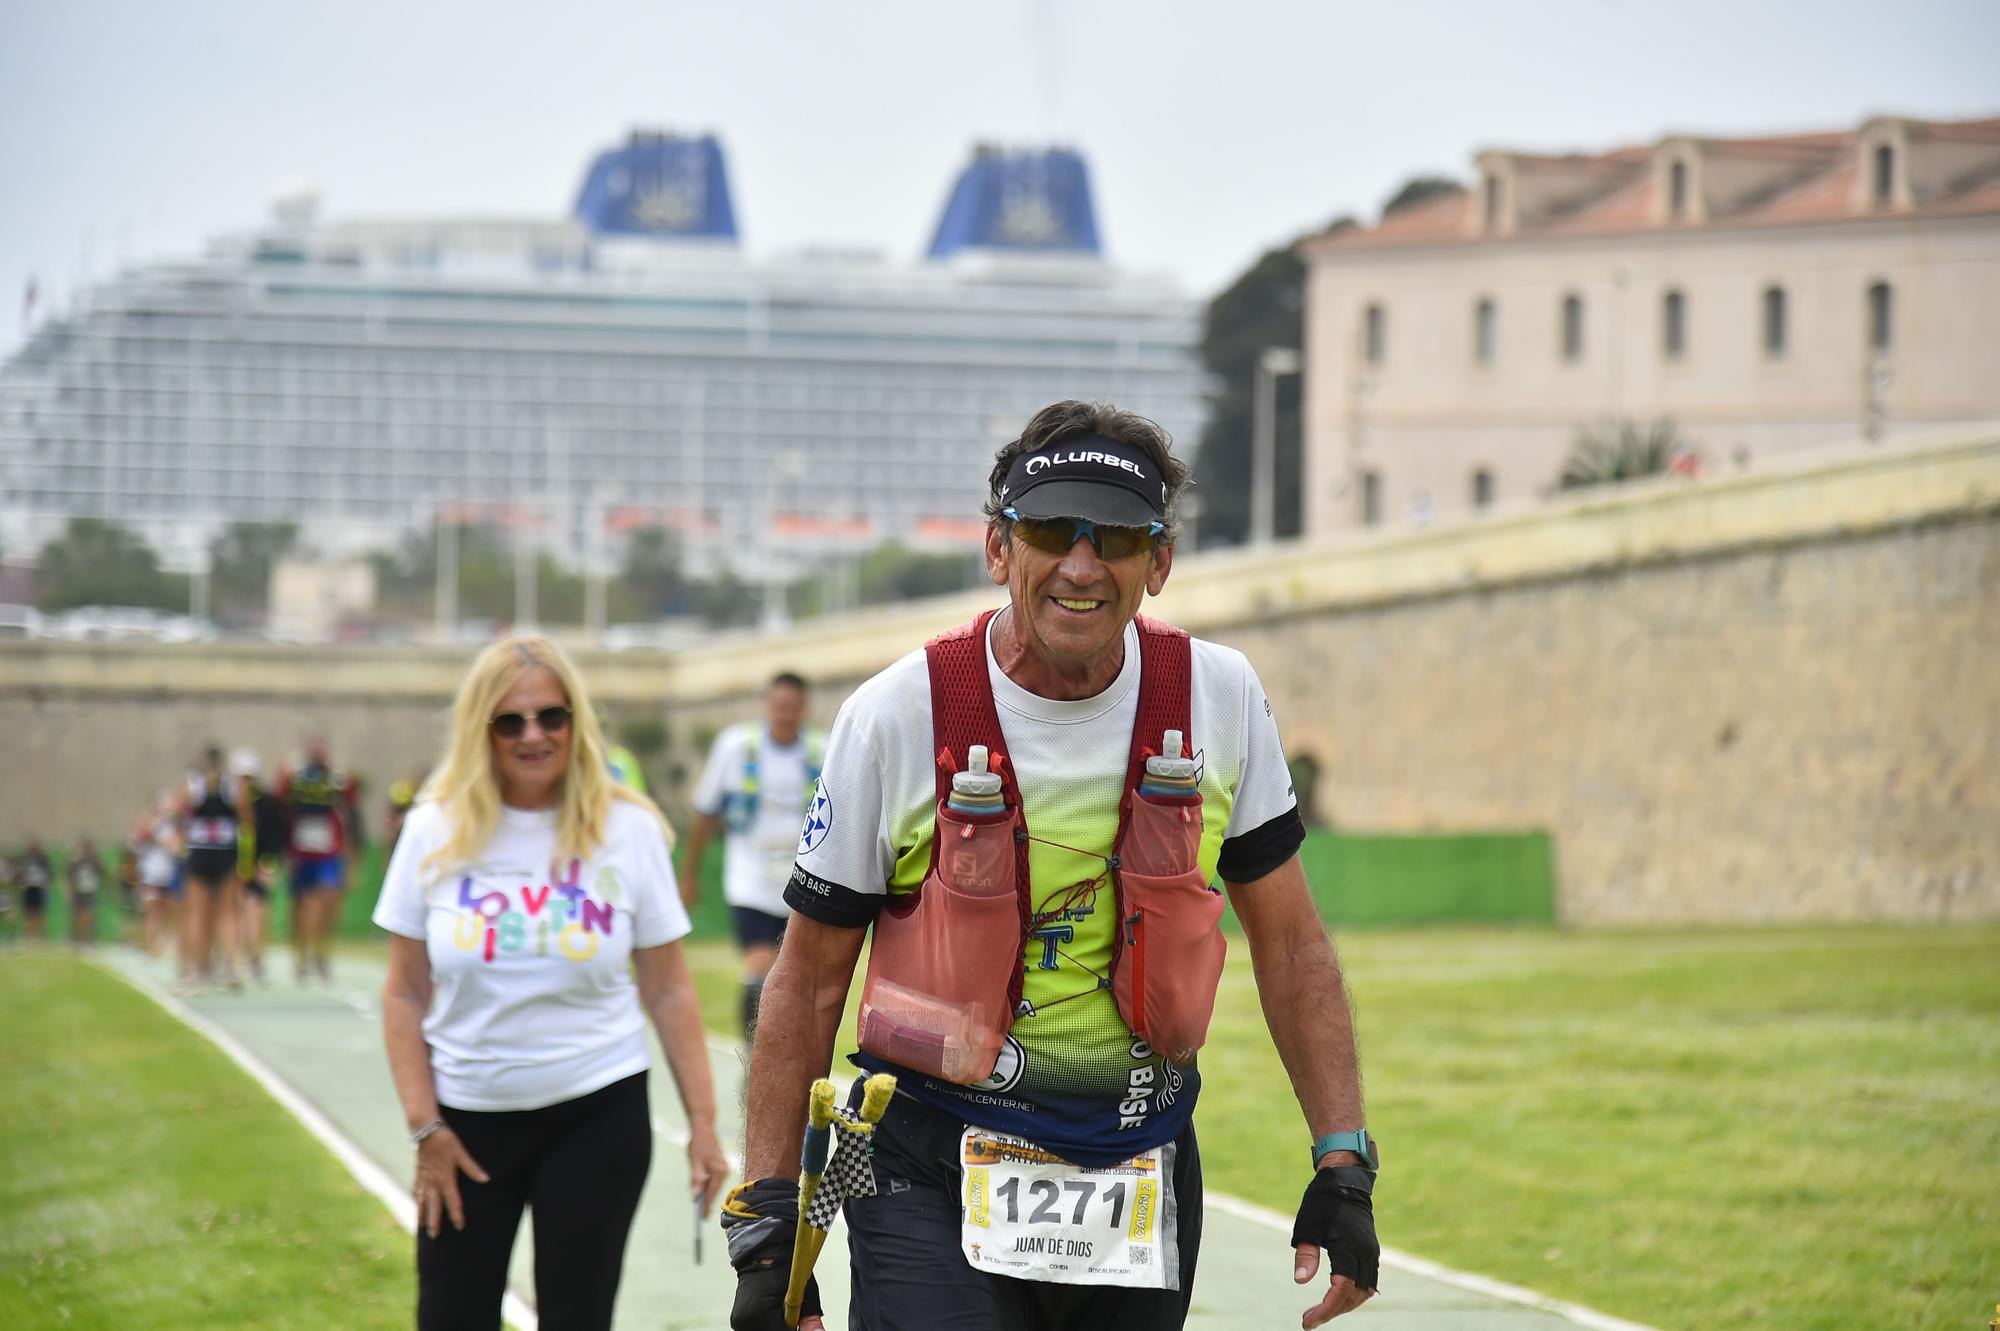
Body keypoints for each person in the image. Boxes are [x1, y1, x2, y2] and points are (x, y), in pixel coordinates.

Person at [725, 402, 1380, 1331]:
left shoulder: (1219, 696)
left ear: (1159, 562)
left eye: (1116, 536)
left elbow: (1291, 944)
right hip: (918, 1161)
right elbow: (809, 977)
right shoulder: (897, 713)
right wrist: (767, 1212)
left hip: (1139, 1160)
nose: (1081, 565)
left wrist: (1343, 1159)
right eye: (1048, 531)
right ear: (999, 548)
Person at [374, 635, 729, 1331]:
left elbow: (668, 988)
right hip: (464, 1123)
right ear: (482, 731)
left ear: (576, 722)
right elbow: (403, 992)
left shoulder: (627, 828)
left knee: (577, 1316)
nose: (533, 734)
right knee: (449, 1316)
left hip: (595, 1109)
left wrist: (705, 1125)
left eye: (551, 716)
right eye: (510, 721)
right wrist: (426, 1126)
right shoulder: (432, 830)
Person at [679, 672, 825, 1039]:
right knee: (760, 964)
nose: (785, 715)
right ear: (766, 706)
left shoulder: (820, 751)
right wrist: (690, 874)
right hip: (750, 877)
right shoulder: (736, 747)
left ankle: (783, 1044)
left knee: (792, 972)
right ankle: (753, 1050)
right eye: (779, 707)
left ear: (804, 709)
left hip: (800, 877)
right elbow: (705, 810)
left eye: (793, 708)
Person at [279, 733, 359, 983]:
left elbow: (351, 812)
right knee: (300, 905)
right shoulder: (295, 777)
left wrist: (351, 851)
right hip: (300, 853)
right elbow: (281, 807)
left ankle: (321, 955)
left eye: (320, 748)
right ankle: (300, 956)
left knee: (328, 903)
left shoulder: (337, 779)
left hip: (328, 853)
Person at [181, 747, 245, 990]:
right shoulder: (232, 786)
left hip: (201, 852)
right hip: (224, 852)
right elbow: (246, 817)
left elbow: (180, 810)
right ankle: (230, 968)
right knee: (227, 913)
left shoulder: (192, 784)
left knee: (198, 913)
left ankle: (198, 970)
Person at [233, 749, 290, 984]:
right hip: (231, 866)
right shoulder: (228, 803)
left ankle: (255, 958)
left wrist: (269, 864)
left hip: (257, 866)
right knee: (236, 915)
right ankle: (236, 959)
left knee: (255, 911)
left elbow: (276, 836)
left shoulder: (267, 803)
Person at [67, 836, 105, 947]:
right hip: (78, 890)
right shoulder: (76, 859)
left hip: (90, 890)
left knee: (90, 915)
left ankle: (89, 939)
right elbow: (69, 874)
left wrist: (95, 860)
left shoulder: (94, 859)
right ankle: (77, 938)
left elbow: (102, 870)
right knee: (76, 915)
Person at [15, 839, 54, 942]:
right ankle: (29, 936)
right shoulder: (25, 860)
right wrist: (20, 883)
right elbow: (19, 874)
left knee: (40, 913)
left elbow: (49, 873)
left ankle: (40, 936)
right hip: (29, 888)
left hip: (39, 887)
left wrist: (47, 884)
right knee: (29, 913)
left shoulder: (43, 860)